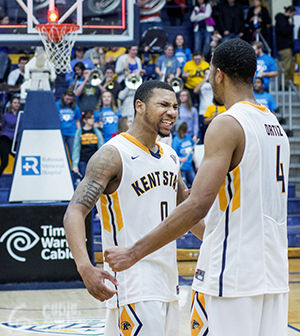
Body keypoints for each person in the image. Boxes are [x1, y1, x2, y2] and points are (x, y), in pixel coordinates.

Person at [105, 39, 290, 336]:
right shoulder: (276, 128)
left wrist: (134, 252)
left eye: (209, 71)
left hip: (229, 276)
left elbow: (196, 206)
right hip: (274, 276)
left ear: (219, 75)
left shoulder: (227, 123)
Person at [63, 80, 190, 336]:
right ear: (139, 106)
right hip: (133, 283)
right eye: (164, 104)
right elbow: (74, 213)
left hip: (169, 282)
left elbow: (187, 213)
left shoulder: (170, 155)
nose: (172, 112)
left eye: (175, 106)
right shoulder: (112, 155)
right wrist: (84, 267)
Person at [72, 110, 104, 179]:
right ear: (84, 120)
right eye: (90, 118)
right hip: (83, 161)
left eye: (93, 118)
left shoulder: (97, 132)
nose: (92, 120)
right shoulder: (79, 132)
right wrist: (75, 165)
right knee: (84, 181)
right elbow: (76, 149)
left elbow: (101, 148)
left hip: (94, 161)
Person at [275, 6, 296, 89]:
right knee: (286, 67)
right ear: (290, 12)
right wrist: (291, 26)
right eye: (293, 14)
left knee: (288, 66)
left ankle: (285, 84)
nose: (292, 17)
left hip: (285, 47)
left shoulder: (282, 19)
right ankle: (284, 84)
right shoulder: (282, 19)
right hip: (284, 47)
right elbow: (284, 32)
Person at [56, 89, 81, 157]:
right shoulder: (57, 105)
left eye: (70, 99)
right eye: (67, 99)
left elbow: (77, 120)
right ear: (63, 96)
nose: (68, 101)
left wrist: (79, 132)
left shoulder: (75, 107)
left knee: (73, 154)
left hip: (72, 133)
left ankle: (74, 167)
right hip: (61, 133)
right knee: (60, 153)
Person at [172, 121, 197, 188]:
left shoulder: (188, 137)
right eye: (183, 132)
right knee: (184, 187)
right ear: (179, 131)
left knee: (195, 184)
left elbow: (192, 151)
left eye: (186, 132)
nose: (185, 133)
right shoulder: (175, 140)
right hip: (182, 168)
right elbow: (173, 155)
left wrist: (196, 163)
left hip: (190, 167)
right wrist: (181, 159)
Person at [0, 96, 21, 176]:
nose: (17, 104)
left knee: (19, 158)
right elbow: (3, 127)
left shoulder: (21, 115)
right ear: (11, 104)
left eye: (18, 103)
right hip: (5, 139)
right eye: (15, 103)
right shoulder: (6, 115)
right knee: (5, 162)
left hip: (15, 140)